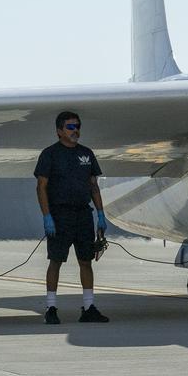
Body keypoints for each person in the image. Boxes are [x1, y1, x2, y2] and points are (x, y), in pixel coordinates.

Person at [35, 110, 110, 324]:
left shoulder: (86, 154)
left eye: (77, 126)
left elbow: (93, 186)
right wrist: (47, 216)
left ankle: (88, 307)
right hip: (60, 215)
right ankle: (50, 308)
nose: (75, 130)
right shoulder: (50, 154)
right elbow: (41, 186)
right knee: (56, 261)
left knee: (86, 261)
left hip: (83, 215)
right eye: (70, 127)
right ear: (59, 131)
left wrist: (101, 214)